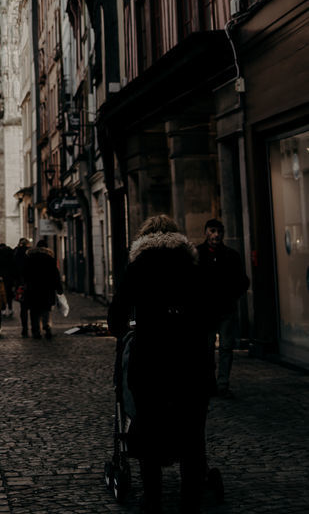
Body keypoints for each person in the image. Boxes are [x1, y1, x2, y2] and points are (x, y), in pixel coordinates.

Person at [108, 214, 212, 514]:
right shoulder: (192, 265)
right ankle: (190, 496)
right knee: (192, 427)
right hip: (189, 357)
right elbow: (209, 308)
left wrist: (125, 328)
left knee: (149, 424)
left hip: (151, 356)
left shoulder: (138, 266)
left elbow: (117, 314)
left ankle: (152, 496)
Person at [196, 217, 249, 398]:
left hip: (226, 309)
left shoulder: (231, 255)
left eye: (219, 232)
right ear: (206, 232)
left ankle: (223, 384)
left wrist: (232, 295)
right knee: (207, 349)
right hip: (206, 311)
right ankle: (210, 383)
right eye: (212, 231)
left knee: (226, 347)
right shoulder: (197, 254)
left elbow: (243, 281)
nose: (216, 235)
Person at [22, 238, 64, 338]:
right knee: (46, 309)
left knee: (34, 310)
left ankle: (36, 330)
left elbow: (24, 273)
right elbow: (55, 274)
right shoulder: (49, 258)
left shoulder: (29, 257)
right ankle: (47, 326)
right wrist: (59, 288)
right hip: (47, 288)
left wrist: (24, 284)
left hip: (33, 288)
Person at [0, 242, 16, 313]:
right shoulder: (11, 255)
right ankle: (10, 308)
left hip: (1, 276)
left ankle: (3, 308)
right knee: (9, 293)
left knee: (2, 292)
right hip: (10, 276)